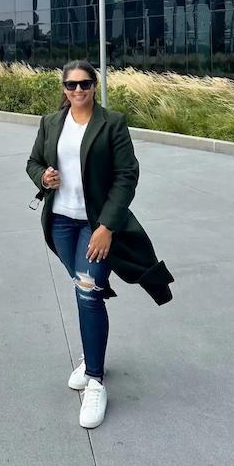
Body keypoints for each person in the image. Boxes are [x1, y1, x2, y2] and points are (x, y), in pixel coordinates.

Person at [26, 59, 174, 429]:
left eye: (85, 84)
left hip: (95, 226)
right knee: (83, 289)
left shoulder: (112, 124)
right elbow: (32, 162)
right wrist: (44, 176)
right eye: (71, 85)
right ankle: (93, 353)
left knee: (89, 292)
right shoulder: (50, 123)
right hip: (60, 224)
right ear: (63, 88)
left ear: (95, 86)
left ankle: (95, 380)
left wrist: (107, 225)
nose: (78, 91)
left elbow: (127, 176)